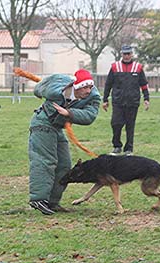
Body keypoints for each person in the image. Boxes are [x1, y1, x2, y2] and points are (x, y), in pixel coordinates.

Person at [28, 69, 101, 215]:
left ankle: (52, 202)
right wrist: (38, 92)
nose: (88, 91)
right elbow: (41, 87)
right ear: (76, 86)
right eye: (84, 87)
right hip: (42, 123)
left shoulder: (93, 97)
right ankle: (39, 199)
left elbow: (90, 115)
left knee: (65, 165)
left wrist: (69, 113)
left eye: (90, 87)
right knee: (45, 160)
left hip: (57, 127)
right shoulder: (58, 87)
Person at [102, 45, 150, 156]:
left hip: (133, 102)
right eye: (125, 54)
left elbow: (144, 84)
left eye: (129, 54)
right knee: (115, 123)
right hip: (118, 101)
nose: (127, 56)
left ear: (132, 54)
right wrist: (105, 99)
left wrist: (146, 98)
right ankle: (117, 146)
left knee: (130, 126)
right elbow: (108, 84)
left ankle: (129, 149)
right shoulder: (115, 67)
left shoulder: (138, 67)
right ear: (122, 54)